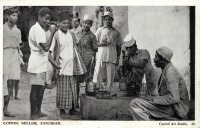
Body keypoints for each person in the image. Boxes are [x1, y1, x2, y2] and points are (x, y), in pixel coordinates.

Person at [130, 46, 189, 120]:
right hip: (171, 106)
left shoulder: (170, 72)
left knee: (134, 103)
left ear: (163, 59)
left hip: (176, 109)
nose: (154, 59)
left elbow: (173, 98)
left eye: (156, 57)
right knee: (141, 101)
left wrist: (153, 99)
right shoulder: (167, 69)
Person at [49, 11, 83, 118]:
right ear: (58, 23)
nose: (66, 25)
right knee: (63, 89)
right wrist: (55, 65)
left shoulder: (72, 34)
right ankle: (62, 110)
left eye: (68, 23)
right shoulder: (55, 35)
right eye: (63, 23)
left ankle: (72, 109)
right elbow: (49, 53)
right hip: (61, 66)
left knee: (74, 88)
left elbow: (78, 44)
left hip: (72, 66)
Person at [27, 7, 57, 120]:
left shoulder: (40, 28)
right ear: (39, 17)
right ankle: (32, 114)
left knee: (41, 88)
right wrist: (53, 32)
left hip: (42, 63)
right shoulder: (38, 29)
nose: (47, 21)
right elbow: (46, 48)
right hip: (36, 63)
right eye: (45, 19)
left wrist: (49, 29)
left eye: (49, 19)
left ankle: (38, 111)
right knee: (35, 89)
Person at [93, 10, 123, 94]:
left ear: (112, 20)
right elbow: (94, 43)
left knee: (110, 77)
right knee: (98, 75)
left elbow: (119, 45)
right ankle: (97, 91)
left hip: (111, 56)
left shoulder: (116, 32)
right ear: (103, 20)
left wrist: (117, 58)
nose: (107, 21)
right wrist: (100, 44)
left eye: (109, 19)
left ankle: (109, 92)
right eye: (106, 19)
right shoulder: (100, 30)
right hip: (101, 56)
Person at [3, 8, 22, 117]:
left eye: (16, 16)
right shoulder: (2, 29)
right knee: (3, 82)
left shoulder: (17, 31)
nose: (15, 17)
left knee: (11, 82)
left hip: (14, 56)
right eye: (13, 15)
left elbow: (18, 46)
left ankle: (6, 109)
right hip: (3, 55)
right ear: (7, 16)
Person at [76, 14, 98, 84]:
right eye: (85, 23)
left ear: (91, 25)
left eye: (89, 23)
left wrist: (91, 58)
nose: (86, 25)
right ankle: (76, 93)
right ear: (82, 23)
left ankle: (88, 92)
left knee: (88, 77)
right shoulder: (77, 34)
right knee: (77, 76)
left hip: (88, 60)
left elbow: (95, 49)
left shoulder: (92, 36)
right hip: (78, 58)